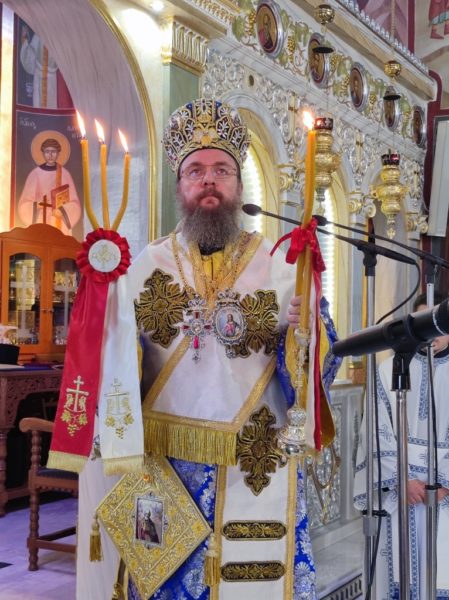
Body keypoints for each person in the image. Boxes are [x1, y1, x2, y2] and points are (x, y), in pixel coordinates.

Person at [75, 98, 339, 599]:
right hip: (165, 472)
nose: (209, 181)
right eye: (195, 171)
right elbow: (113, 370)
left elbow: (319, 373)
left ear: (239, 185)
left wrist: (305, 333)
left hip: (254, 465)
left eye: (221, 170)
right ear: (180, 185)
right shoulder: (143, 267)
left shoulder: (282, 269)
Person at [354, 291, 449, 598]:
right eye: (424, 324)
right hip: (400, 494)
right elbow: (375, 431)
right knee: (398, 576)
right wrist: (401, 480)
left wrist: (443, 482)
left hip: (445, 496)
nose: (432, 334)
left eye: (438, 324)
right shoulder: (389, 370)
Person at [17, 135, 81, 234]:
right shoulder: (35, 174)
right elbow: (24, 203)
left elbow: (74, 203)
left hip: (58, 221)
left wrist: (62, 210)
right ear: (43, 153)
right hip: (39, 220)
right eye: (47, 152)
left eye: (53, 151)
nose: (50, 155)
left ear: (58, 153)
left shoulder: (64, 174)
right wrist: (36, 205)